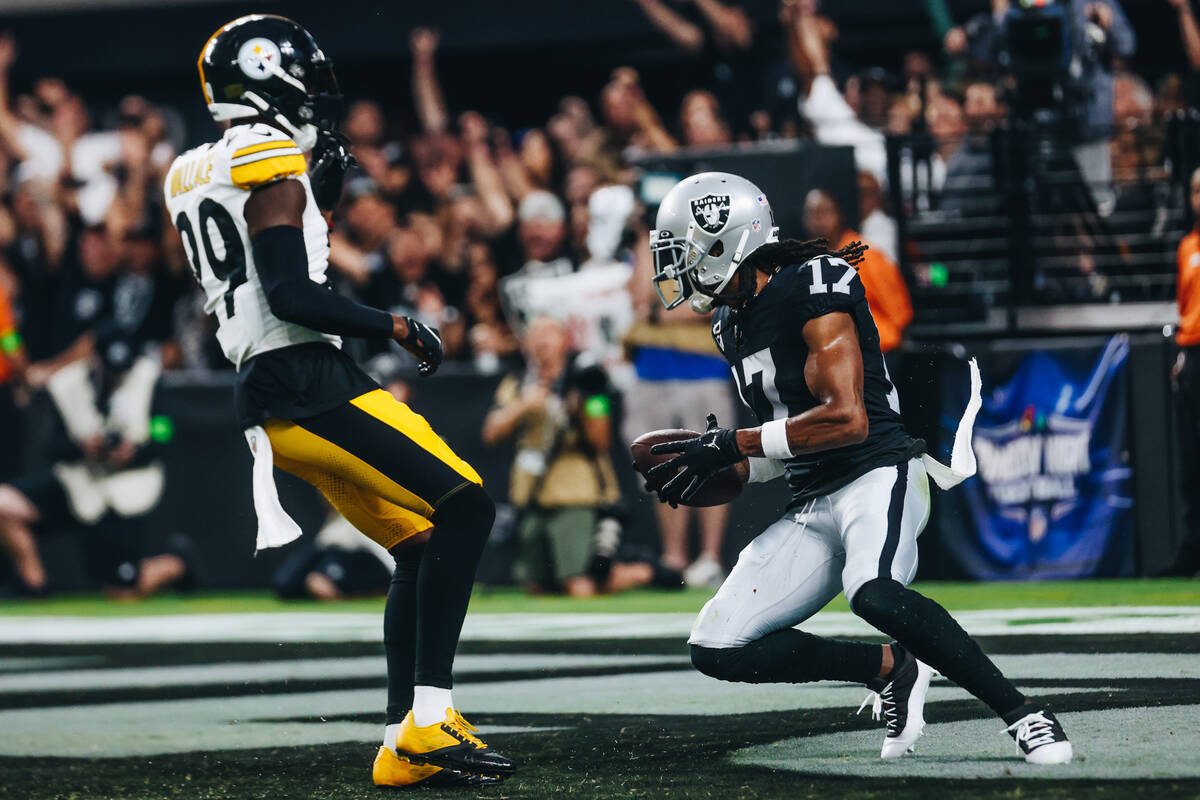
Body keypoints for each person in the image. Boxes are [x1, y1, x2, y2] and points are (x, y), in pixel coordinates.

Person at [163, 15, 512, 788]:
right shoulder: (267, 153)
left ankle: (399, 745)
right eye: (304, 79)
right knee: (469, 506)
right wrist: (391, 321)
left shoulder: (189, 167)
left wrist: (317, 193)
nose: (316, 97)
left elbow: (271, 252)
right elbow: (291, 291)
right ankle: (430, 716)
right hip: (306, 377)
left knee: (419, 541)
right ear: (271, 77)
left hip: (263, 388)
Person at [643, 171, 1073, 764]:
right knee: (717, 646)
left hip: (878, 471)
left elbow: (847, 421)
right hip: (814, 495)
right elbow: (784, 436)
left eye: (685, 251)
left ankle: (1026, 714)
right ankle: (891, 668)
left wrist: (733, 443)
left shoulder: (813, 285)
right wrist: (727, 466)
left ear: (727, 243)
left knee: (873, 595)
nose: (678, 269)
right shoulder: (730, 321)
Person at [482, 316, 662, 596]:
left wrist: (583, 403)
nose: (542, 341)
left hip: (577, 493)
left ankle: (640, 573)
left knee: (577, 583)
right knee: (535, 585)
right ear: (525, 342)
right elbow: (490, 432)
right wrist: (523, 406)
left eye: (549, 333)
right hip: (531, 493)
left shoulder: (587, 379)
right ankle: (630, 573)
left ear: (565, 340)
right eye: (535, 334)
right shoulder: (518, 383)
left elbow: (601, 437)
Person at [802, 188, 912, 355]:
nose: (819, 220)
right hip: (832, 356)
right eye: (812, 214)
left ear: (840, 215)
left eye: (824, 212)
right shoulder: (804, 263)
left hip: (877, 351)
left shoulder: (865, 254)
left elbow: (899, 311)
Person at [1164, 166, 1200, 577]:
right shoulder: (1187, 246)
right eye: (1193, 190)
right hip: (1193, 355)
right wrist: (1182, 357)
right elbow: (1186, 308)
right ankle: (1192, 549)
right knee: (1192, 461)